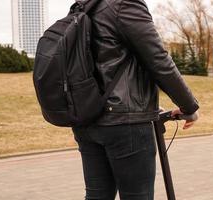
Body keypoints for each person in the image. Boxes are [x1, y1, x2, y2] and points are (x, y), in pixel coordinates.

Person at [72, 0, 199, 199]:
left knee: (97, 196)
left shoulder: (86, 6)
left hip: (88, 119)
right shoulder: (125, 4)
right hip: (125, 125)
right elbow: (158, 60)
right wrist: (189, 106)